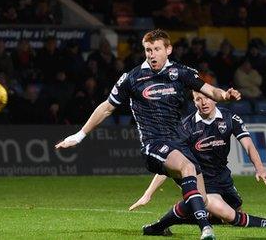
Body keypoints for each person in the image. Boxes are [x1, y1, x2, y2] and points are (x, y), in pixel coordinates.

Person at [55, 29, 242, 240]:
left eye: (156, 49)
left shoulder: (181, 73)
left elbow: (212, 91)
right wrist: (79, 135)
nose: (152, 54)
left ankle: (156, 228)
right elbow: (107, 107)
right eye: (148, 50)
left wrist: (226, 95)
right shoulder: (132, 78)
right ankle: (206, 229)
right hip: (153, 145)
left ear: (168, 50)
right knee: (187, 167)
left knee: (201, 199)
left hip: (178, 143)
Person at [131, 91, 266, 235]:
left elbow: (248, 145)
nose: (203, 103)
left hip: (223, 178)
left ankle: (166, 224)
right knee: (231, 216)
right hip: (201, 182)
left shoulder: (230, 118)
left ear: (215, 99)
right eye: (198, 99)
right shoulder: (186, 127)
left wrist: (260, 168)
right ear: (194, 102)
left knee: (223, 211)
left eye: (207, 98)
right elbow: (169, 165)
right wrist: (148, 193)